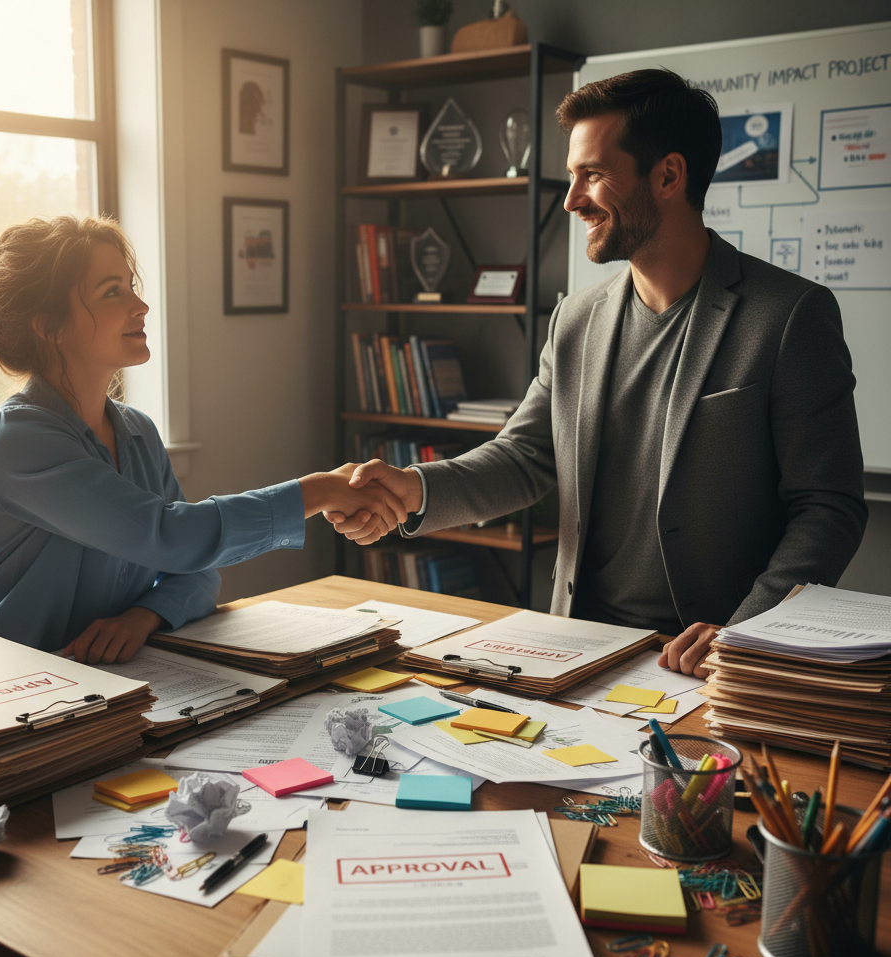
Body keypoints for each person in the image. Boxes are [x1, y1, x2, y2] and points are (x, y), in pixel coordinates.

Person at [327, 68, 867, 678]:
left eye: (594, 174)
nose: (571, 199)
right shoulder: (575, 318)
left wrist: (748, 635)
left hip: (711, 658)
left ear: (668, 175)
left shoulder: (790, 315)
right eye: (572, 175)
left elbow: (828, 507)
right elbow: (526, 457)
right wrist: (414, 489)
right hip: (579, 648)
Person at [0, 215, 405, 662]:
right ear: (49, 326)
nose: (140, 305)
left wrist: (144, 617)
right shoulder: (16, 440)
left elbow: (197, 571)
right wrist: (319, 491)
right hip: (5, 690)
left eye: (130, 285)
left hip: (107, 683)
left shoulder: (137, 432)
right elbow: (172, 537)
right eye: (112, 292)